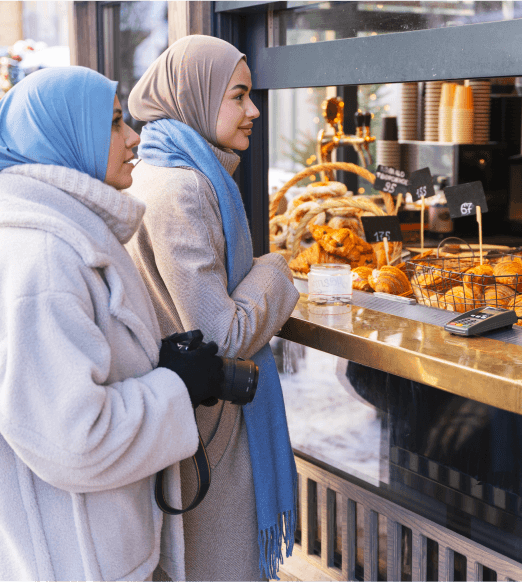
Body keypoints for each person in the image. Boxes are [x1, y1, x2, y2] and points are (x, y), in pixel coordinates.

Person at [0, 66, 229, 581]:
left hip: (91, 552)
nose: (133, 138)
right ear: (65, 138)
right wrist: (175, 386)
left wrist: (160, 362)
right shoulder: (44, 261)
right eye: (112, 123)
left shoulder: (69, 237)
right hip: (73, 564)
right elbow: (74, 440)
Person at [125, 35, 301, 581]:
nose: (253, 111)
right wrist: (277, 268)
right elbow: (224, 334)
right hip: (208, 429)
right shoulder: (181, 189)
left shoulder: (164, 173)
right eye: (238, 96)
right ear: (196, 98)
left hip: (191, 421)